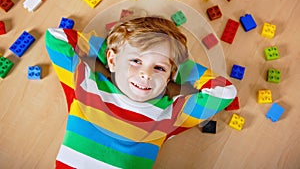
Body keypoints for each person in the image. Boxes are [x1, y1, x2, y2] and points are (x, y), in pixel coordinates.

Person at [45, 16, 237, 169]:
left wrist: (177, 64)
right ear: (111, 60)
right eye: (136, 61)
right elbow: (56, 37)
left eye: (159, 68)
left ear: (170, 76)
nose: (145, 74)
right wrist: (116, 50)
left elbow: (225, 92)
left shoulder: (169, 113)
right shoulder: (87, 85)